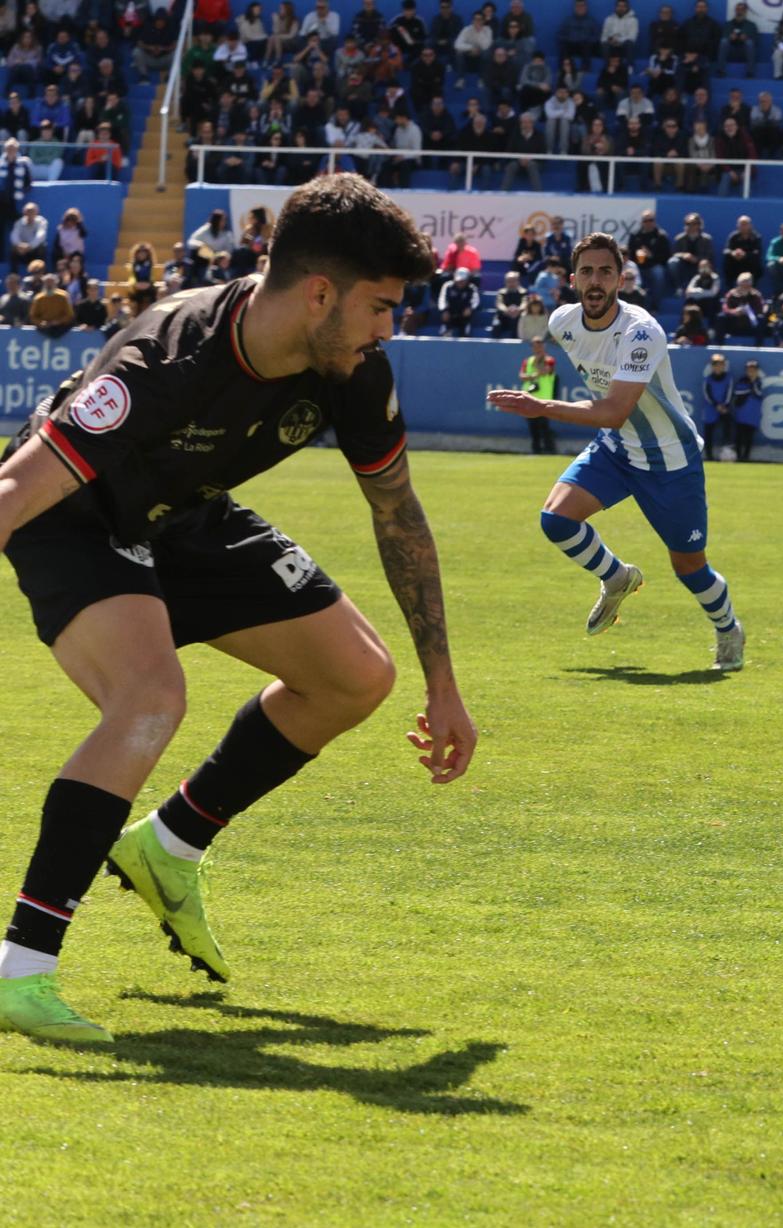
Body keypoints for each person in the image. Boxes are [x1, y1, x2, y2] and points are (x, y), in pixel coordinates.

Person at [0, 175, 476, 1042]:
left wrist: (444, 684)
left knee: (356, 677)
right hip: (77, 519)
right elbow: (14, 490)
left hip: (185, 515)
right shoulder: (166, 357)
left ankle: (169, 843)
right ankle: (21, 968)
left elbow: (398, 515)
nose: (387, 328)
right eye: (379, 306)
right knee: (150, 700)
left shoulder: (354, 370)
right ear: (320, 294)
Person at [487, 232, 745, 670]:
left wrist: (541, 406)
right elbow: (613, 417)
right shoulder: (562, 322)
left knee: (689, 568)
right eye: (586, 271)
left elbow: (614, 409)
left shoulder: (641, 332)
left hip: (670, 460)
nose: (595, 280)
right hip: (619, 449)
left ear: (620, 280)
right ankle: (617, 577)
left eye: (605, 271)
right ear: (572, 279)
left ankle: (728, 630)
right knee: (556, 519)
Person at [518, 334, 559, 454]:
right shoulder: (528, 361)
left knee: (544, 426)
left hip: (544, 400)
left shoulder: (549, 360)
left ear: (544, 346)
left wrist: (539, 360)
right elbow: (521, 376)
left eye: (539, 346)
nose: (537, 348)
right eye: (535, 346)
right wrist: (533, 375)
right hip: (529, 398)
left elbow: (546, 370)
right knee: (532, 426)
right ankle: (536, 450)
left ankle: (549, 449)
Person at [700, 351, 733, 461]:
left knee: (728, 426)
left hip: (724, 408)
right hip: (711, 409)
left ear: (724, 366)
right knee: (708, 433)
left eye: (720, 364)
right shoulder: (708, 379)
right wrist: (716, 405)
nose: (718, 367)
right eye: (715, 364)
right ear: (712, 366)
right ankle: (709, 456)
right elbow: (707, 394)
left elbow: (729, 392)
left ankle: (726, 452)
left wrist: (724, 405)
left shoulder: (728, 378)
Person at [730, 359, 763, 460]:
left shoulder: (759, 382)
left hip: (753, 415)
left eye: (753, 370)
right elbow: (738, 392)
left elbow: (759, 394)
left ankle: (746, 457)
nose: (751, 372)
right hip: (741, 414)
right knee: (738, 436)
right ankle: (739, 456)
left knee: (749, 437)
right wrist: (750, 387)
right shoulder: (742, 381)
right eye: (749, 369)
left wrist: (752, 384)